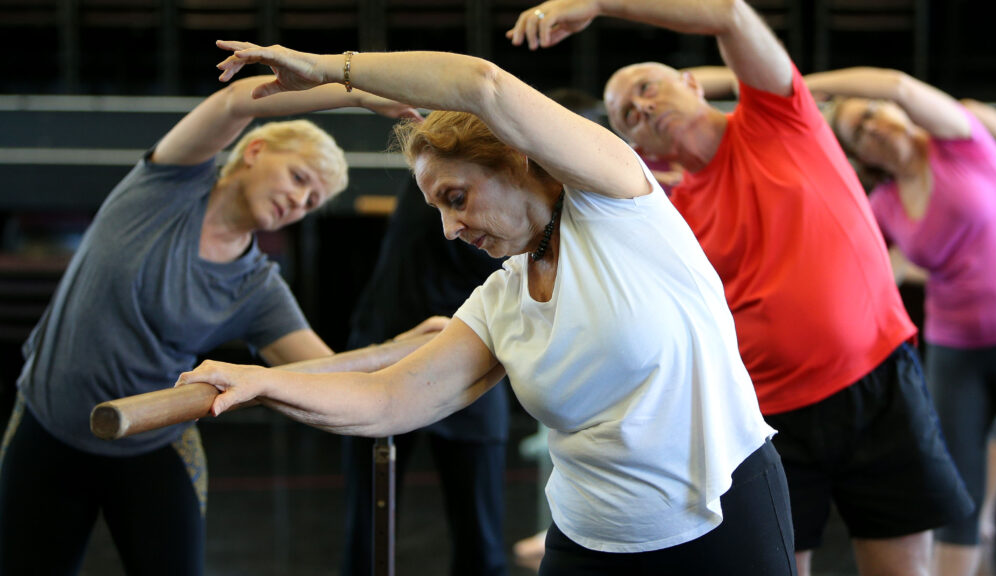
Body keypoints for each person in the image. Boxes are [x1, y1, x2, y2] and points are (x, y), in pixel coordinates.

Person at [178, 39, 796, 575]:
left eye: (457, 196)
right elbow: (386, 399)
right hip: (588, 540)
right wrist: (261, 383)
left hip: (721, 517)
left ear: (514, 157)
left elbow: (483, 85)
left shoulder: (618, 204)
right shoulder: (501, 298)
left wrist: (331, 68)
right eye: (438, 210)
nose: (449, 228)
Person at [507, 1, 974, 575]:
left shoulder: (780, 116)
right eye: (626, 113)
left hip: (876, 383)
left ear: (691, 83)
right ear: (636, 148)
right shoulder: (664, 213)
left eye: (648, 87)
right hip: (765, 417)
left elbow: (728, 12)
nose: (643, 106)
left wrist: (600, 4)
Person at [0, 74, 419, 575]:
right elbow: (234, 100)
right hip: (47, 430)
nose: (299, 202)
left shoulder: (259, 289)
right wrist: (356, 90)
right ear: (255, 150)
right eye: (299, 178)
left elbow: (322, 375)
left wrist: (401, 352)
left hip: (154, 450)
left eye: (311, 202)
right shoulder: (168, 186)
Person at [809, 67, 996, 576]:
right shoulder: (883, 204)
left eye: (873, 112)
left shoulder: (962, 141)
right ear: (860, 154)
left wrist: (810, 88)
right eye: (857, 131)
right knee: (956, 494)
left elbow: (900, 85)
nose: (872, 126)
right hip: (954, 348)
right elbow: (863, 267)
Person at [341, 175, 509, 576]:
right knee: (367, 529)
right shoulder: (436, 173)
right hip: (390, 347)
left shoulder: (513, 190)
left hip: (470, 361)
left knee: (481, 536)